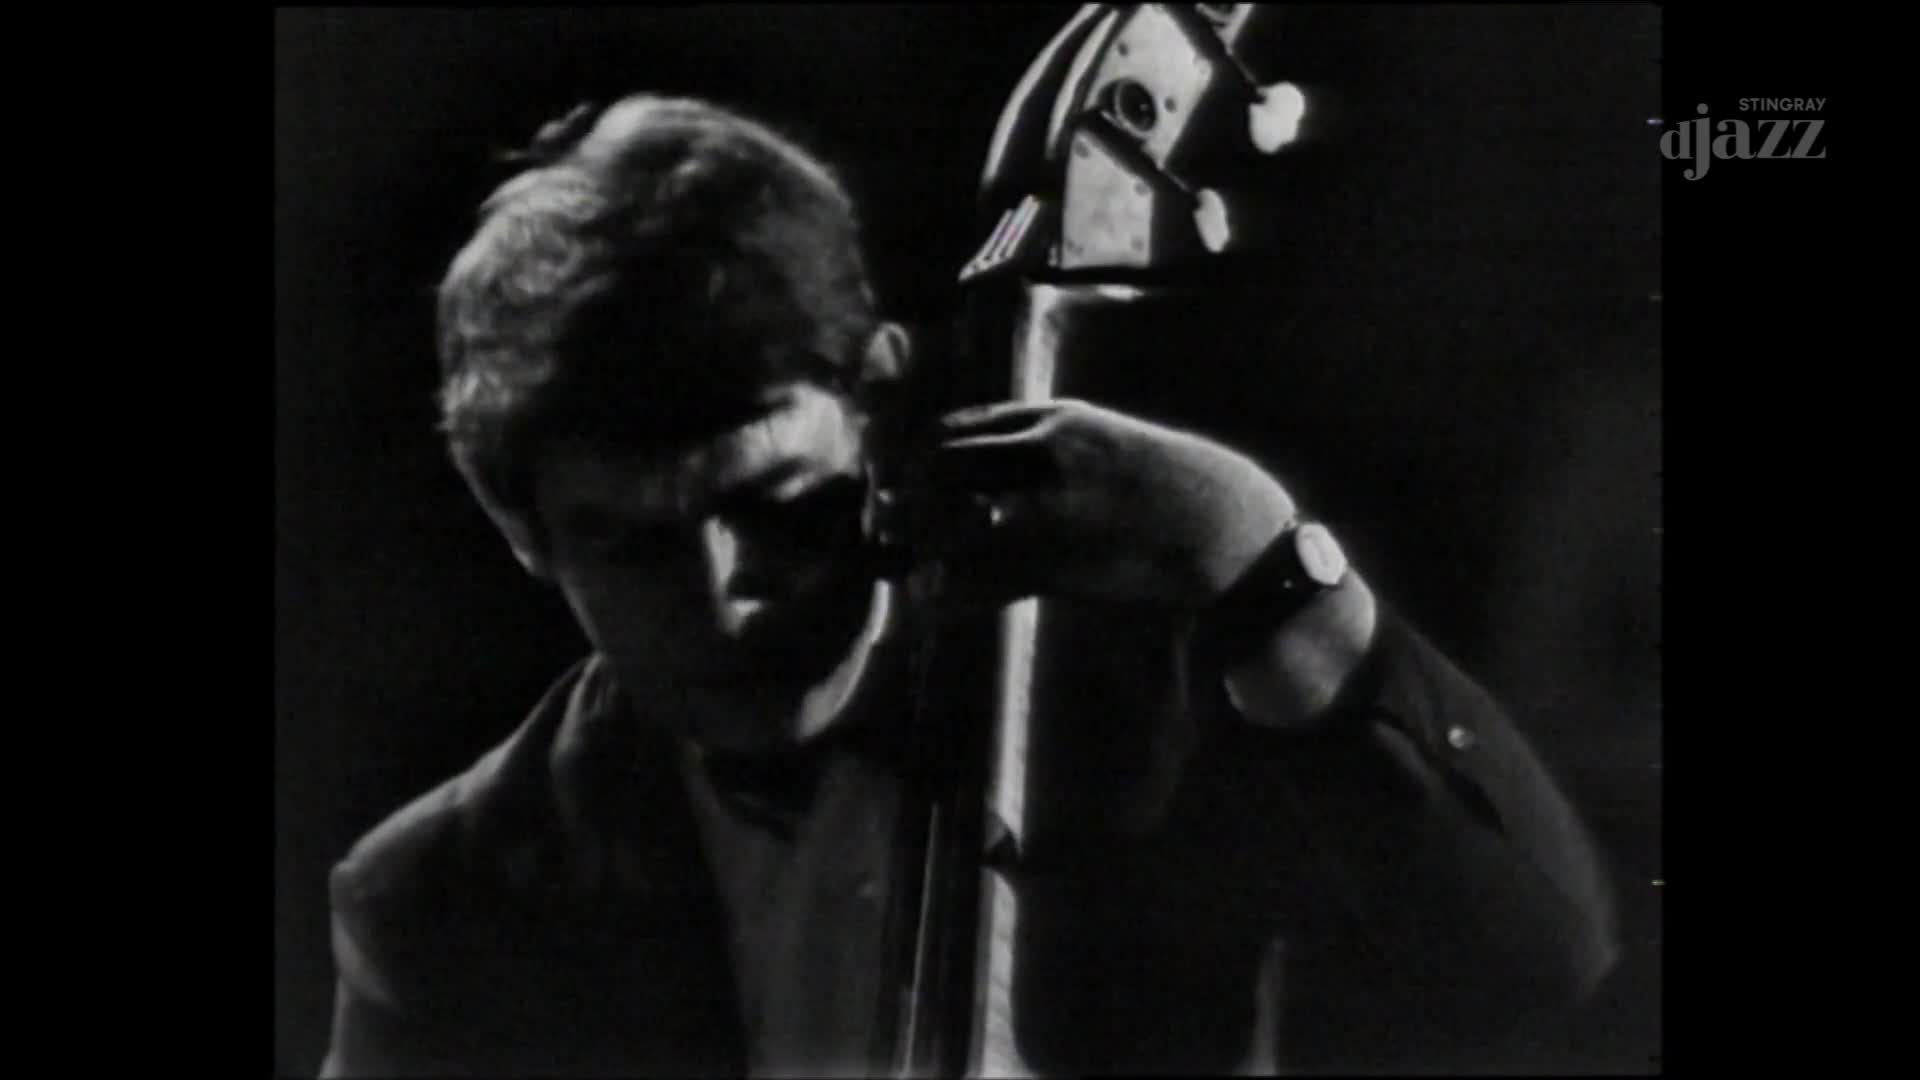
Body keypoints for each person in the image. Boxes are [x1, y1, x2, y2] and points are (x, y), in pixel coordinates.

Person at [318, 93, 1619, 1077]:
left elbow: (1538, 957)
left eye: (773, 508)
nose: (724, 603)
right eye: (631, 546)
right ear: (518, 527)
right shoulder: (440, 900)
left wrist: (1260, 560)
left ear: (879, 399)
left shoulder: (1138, 709)